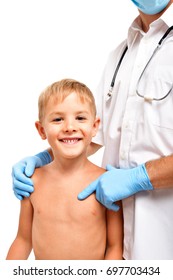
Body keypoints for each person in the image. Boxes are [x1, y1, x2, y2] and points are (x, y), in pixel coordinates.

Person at [11, 0, 173, 259]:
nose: (69, 125)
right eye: (56, 121)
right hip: (123, 255)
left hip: (164, 242)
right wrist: (44, 159)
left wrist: (139, 177)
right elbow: (89, 132)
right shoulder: (121, 54)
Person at [7, 79, 123, 260]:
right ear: (41, 129)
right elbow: (23, 240)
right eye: (58, 119)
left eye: (80, 118)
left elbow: (115, 247)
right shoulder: (32, 181)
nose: (70, 127)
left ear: (95, 127)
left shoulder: (107, 183)